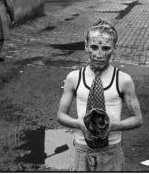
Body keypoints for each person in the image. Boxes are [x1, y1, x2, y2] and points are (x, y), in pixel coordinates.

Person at [57, 19, 143, 171]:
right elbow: (61, 115)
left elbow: (137, 118)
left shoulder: (123, 80)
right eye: (94, 47)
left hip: (112, 151)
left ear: (114, 48)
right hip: (81, 150)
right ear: (86, 46)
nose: (99, 54)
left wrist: (114, 126)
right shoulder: (74, 78)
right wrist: (79, 124)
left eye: (106, 48)